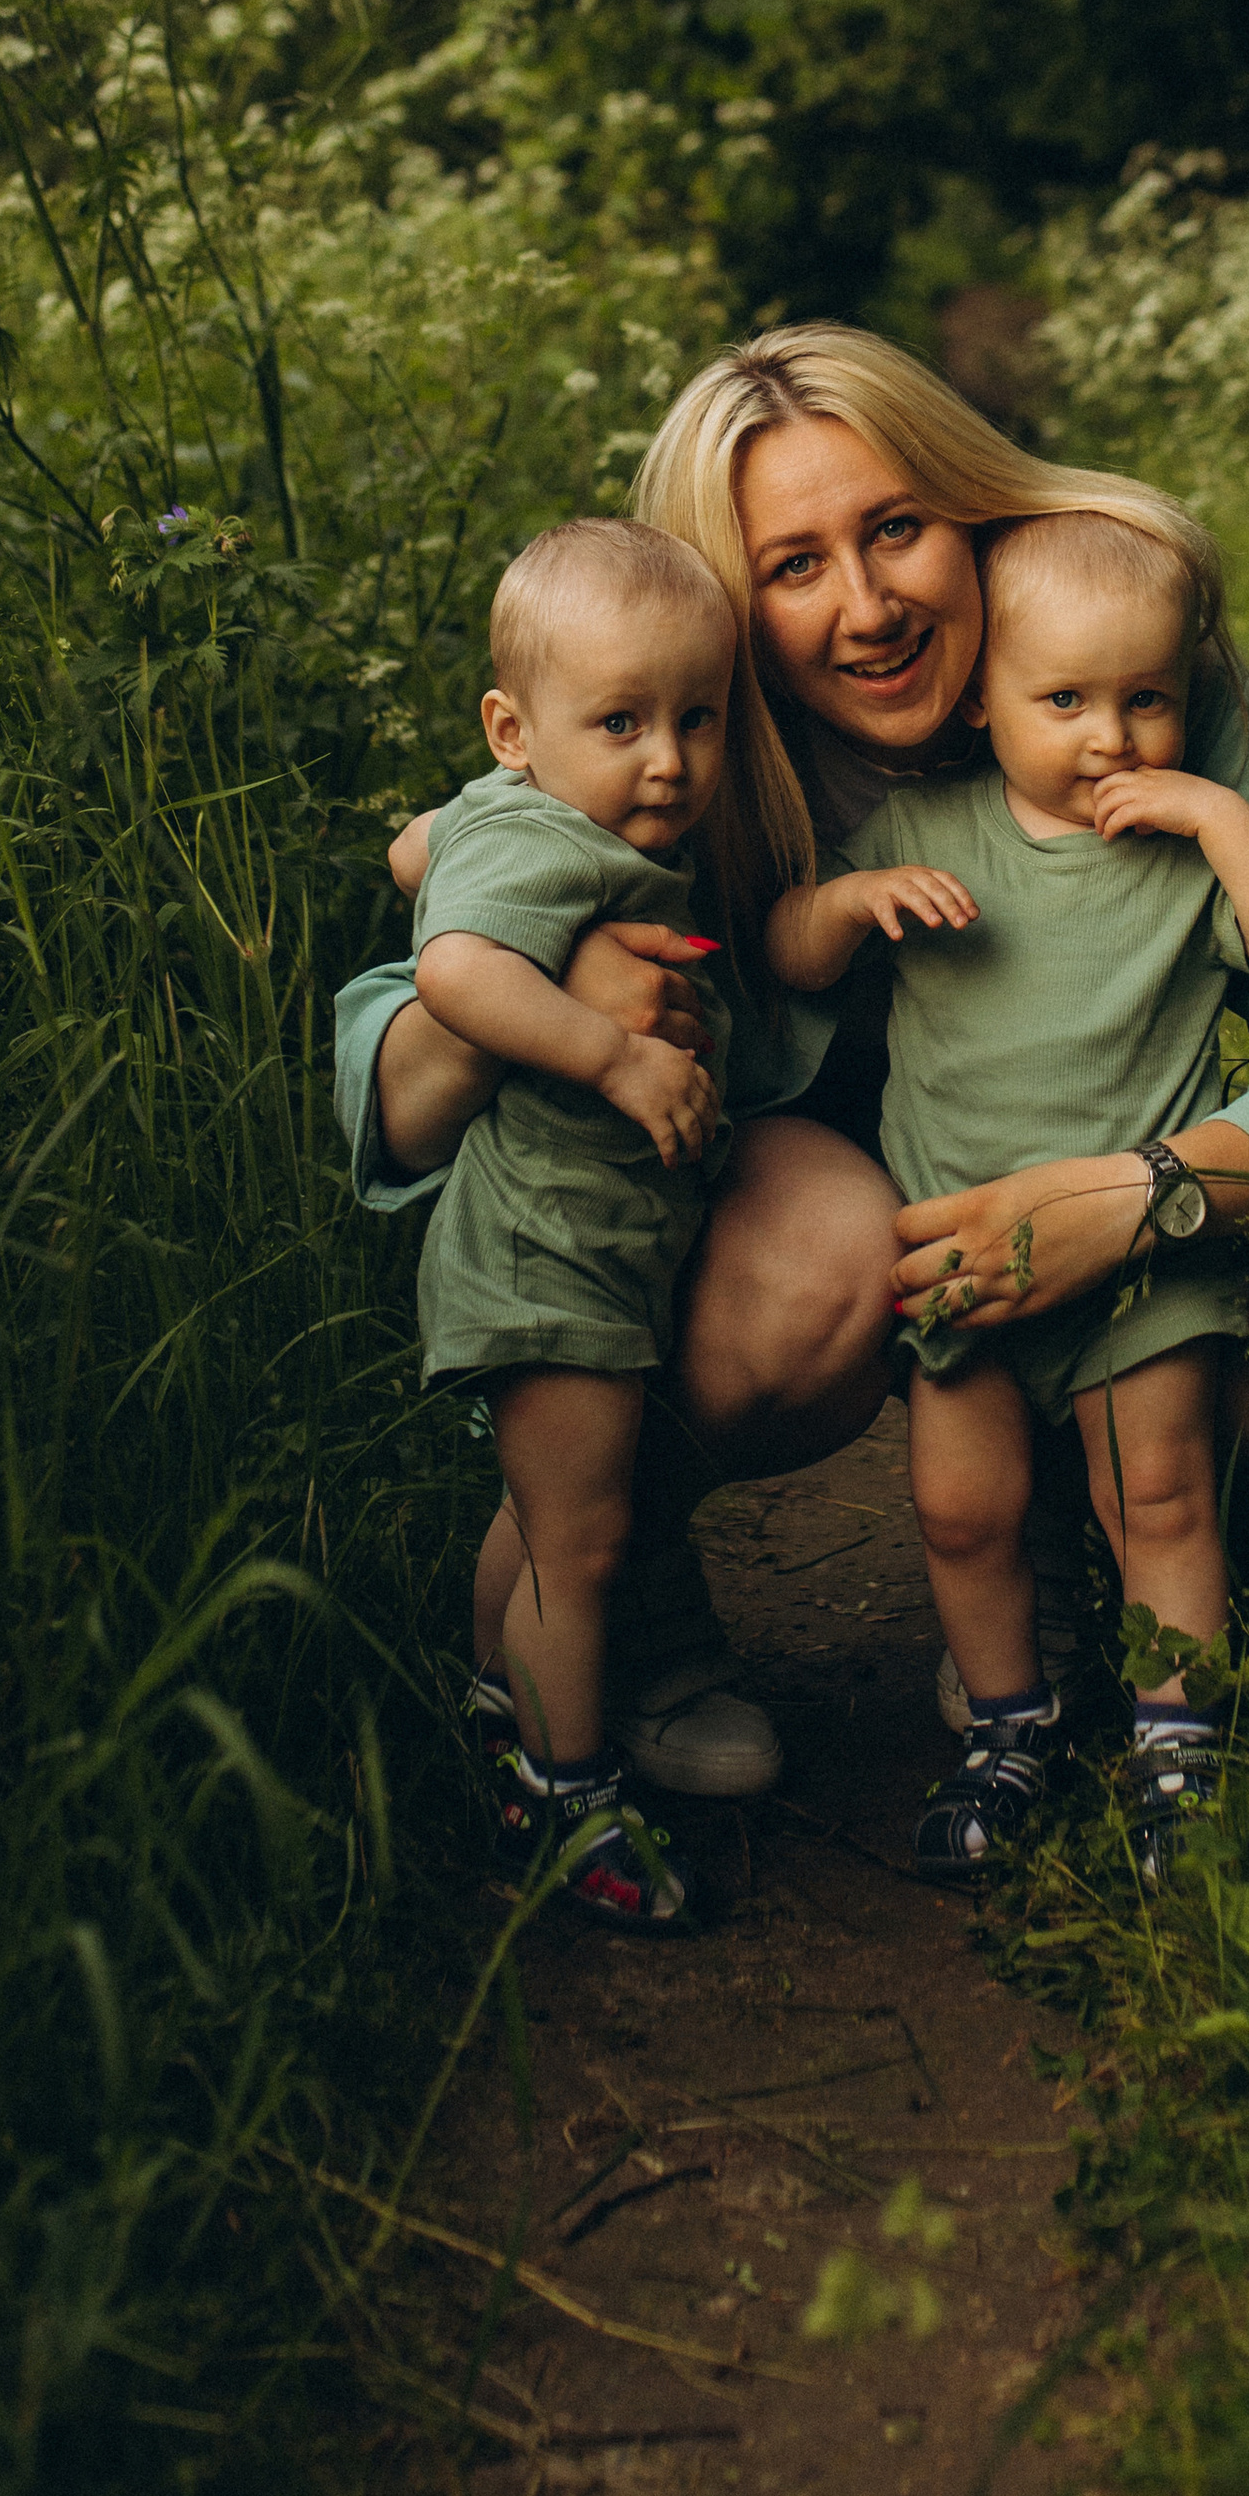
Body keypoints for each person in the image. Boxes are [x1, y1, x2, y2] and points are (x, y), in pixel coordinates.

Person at [333, 325, 1249, 1799]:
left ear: (967, 511)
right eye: (793, 567)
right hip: (806, 1195)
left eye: (898, 529)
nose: (865, 607)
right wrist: (558, 998)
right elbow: (404, 1054)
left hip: (1080, 1157)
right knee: (823, 1259)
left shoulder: (1119, 675)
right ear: (731, 609)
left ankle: (1079, 1527)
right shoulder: (681, 737)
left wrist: (1146, 1192)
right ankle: (607, 1575)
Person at [766, 510, 1249, 1880]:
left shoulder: (1184, 852)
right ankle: (1009, 1728)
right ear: (981, 699)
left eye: (1147, 701)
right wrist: (849, 908)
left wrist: (1217, 811)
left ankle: (1175, 1738)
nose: (1112, 738)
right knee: (962, 1512)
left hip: (1138, 1262)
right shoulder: (925, 826)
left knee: (1158, 1495)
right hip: (963, 1261)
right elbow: (787, 953)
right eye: (1066, 699)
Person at [403, 516, 789, 1928]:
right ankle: (559, 1802)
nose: (669, 759)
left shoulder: (534, 815)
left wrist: (465, 831)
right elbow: (451, 969)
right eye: (619, 719)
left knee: (545, 1517)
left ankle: (495, 1705)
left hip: (598, 1254)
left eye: (697, 717)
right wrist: (615, 1053)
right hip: (547, 1256)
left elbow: (414, 853)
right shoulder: (544, 833)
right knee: (582, 1544)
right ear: (513, 726)